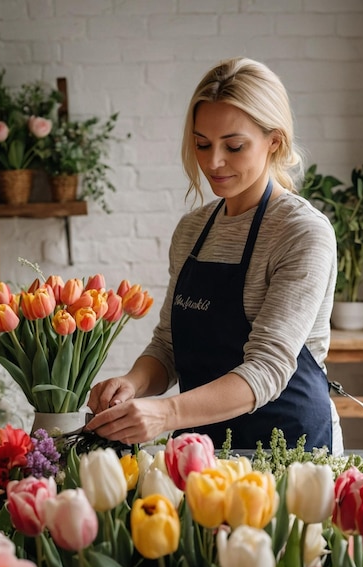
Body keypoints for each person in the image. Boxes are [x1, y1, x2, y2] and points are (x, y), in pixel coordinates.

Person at [87, 57, 344, 454]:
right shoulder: (192, 230)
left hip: (288, 454)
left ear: (273, 141)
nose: (213, 162)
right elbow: (169, 346)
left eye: (234, 146)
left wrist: (165, 414)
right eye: (202, 144)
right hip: (199, 452)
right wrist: (134, 384)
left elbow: (268, 369)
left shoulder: (301, 232)